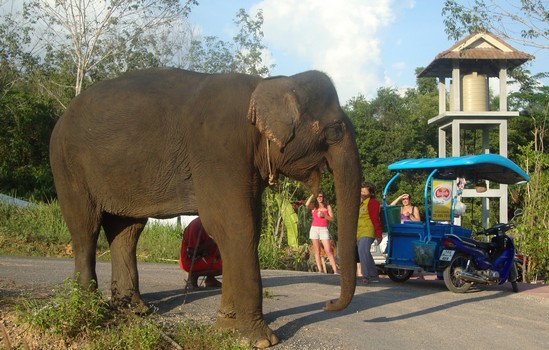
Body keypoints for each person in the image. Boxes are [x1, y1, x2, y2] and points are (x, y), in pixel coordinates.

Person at [179, 217, 222, 289]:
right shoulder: (197, 225)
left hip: (206, 256)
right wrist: (213, 242)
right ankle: (193, 276)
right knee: (227, 264)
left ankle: (210, 279)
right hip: (190, 261)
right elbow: (191, 252)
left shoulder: (212, 223)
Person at [390, 193, 425, 279]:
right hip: (401, 232)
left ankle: (419, 273)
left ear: (410, 200)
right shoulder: (400, 208)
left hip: (411, 232)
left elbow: (418, 221)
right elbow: (390, 206)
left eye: (406, 199)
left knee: (413, 251)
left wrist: (410, 216)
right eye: (403, 199)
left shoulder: (414, 208)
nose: (405, 200)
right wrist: (399, 197)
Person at [356, 182, 383, 284]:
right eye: (361, 189)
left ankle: (366, 276)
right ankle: (374, 275)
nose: (362, 191)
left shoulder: (373, 203)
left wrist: (378, 234)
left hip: (368, 231)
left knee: (363, 252)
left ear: (370, 193)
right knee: (366, 253)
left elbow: (376, 219)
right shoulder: (358, 202)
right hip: (359, 232)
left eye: (365, 190)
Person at [306, 192, 338, 274]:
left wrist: (324, 216)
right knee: (317, 250)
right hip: (314, 229)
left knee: (328, 250)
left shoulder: (327, 206)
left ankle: (335, 270)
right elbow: (307, 204)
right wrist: (313, 194)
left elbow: (332, 219)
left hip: (323, 229)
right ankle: (320, 270)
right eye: (318, 196)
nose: (319, 198)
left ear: (323, 197)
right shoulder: (314, 207)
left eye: (321, 196)